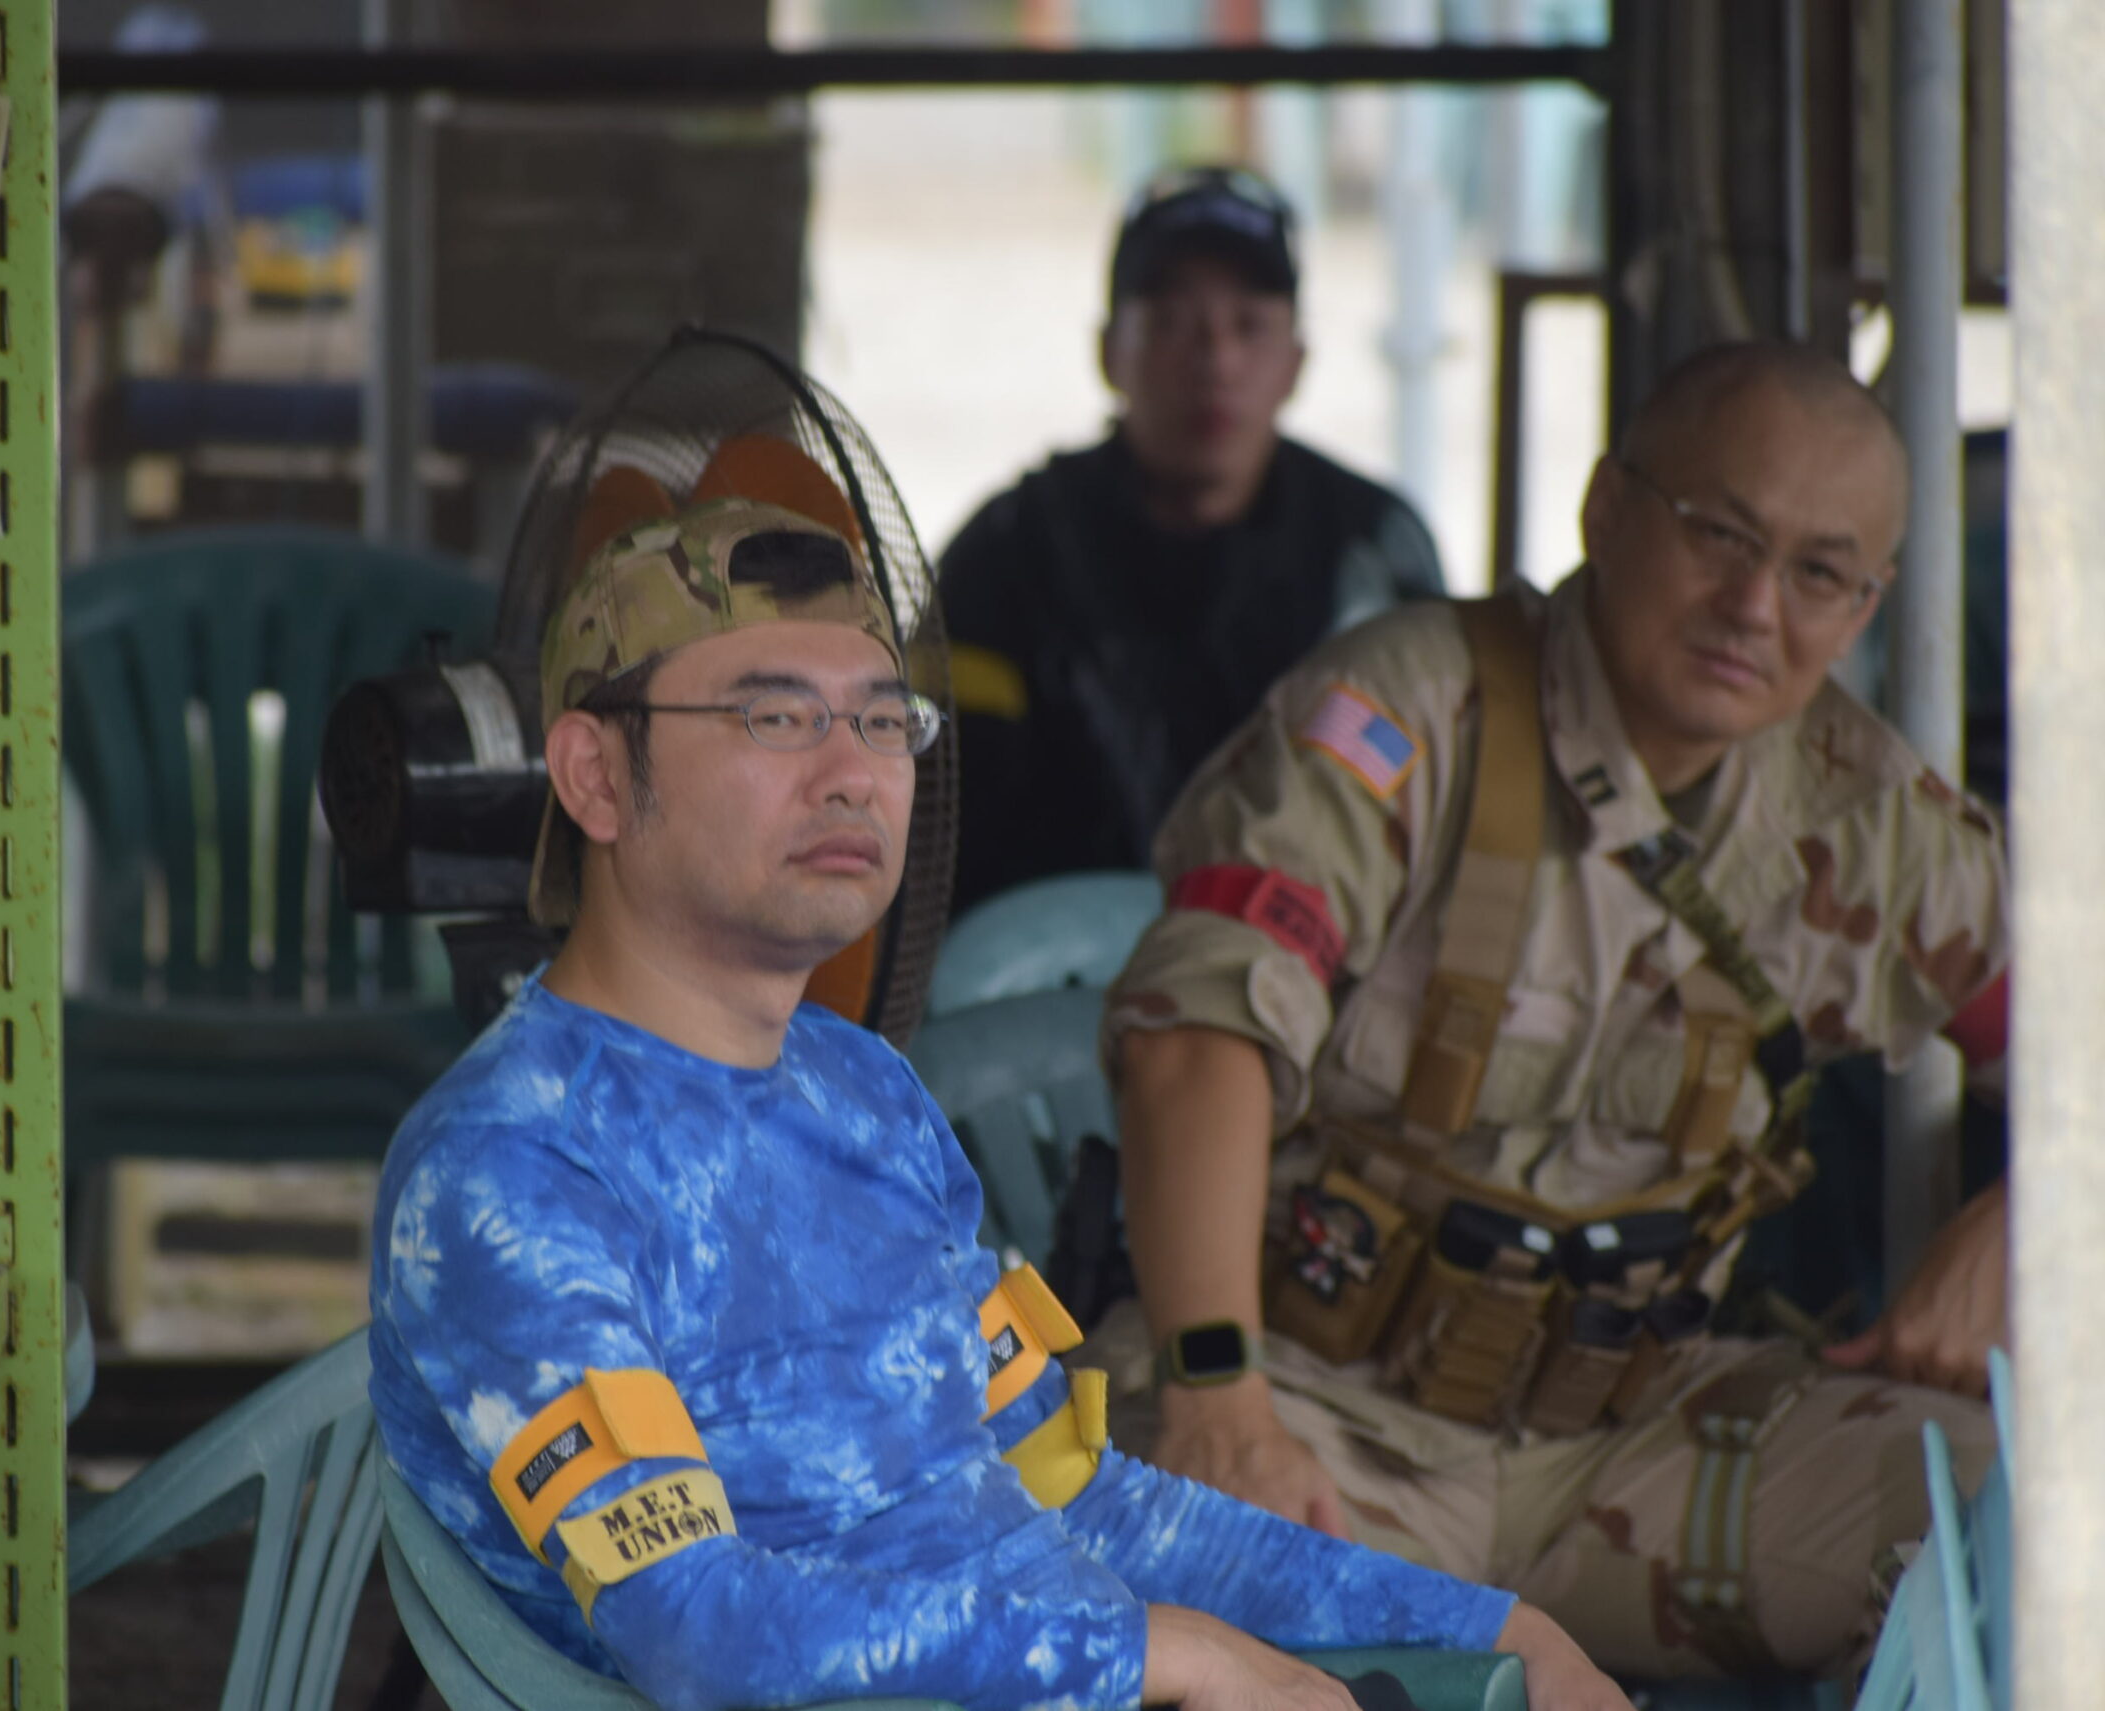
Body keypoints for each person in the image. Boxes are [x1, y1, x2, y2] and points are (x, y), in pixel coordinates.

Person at [367, 478, 1631, 1711]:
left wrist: (1494, 1625)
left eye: (883, 721)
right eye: (774, 716)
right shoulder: (511, 1168)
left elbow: (1074, 1491)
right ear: (593, 774)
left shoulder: (860, 1089)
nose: (853, 773)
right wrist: (1148, 1658)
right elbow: (697, 1629)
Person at [1097, 341, 2010, 1682]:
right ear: (1605, 508)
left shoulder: (1866, 817)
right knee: (1138, 1594)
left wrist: (2025, 1213)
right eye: (1718, 534)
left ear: (1867, 603)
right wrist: (1215, 1383)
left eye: (1819, 573)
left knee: (2031, 1518)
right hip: (1314, 1406)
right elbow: (1197, 1035)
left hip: (1637, 1443)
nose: (1753, 605)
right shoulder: (1413, 711)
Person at [939, 165, 1446, 911]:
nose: (1216, 361)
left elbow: (1428, 803)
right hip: (1053, 957)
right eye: (1173, 323)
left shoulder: (1372, 551)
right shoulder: (1008, 554)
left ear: (1296, 361)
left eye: (1249, 325)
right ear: (1109, 352)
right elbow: (947, 826)